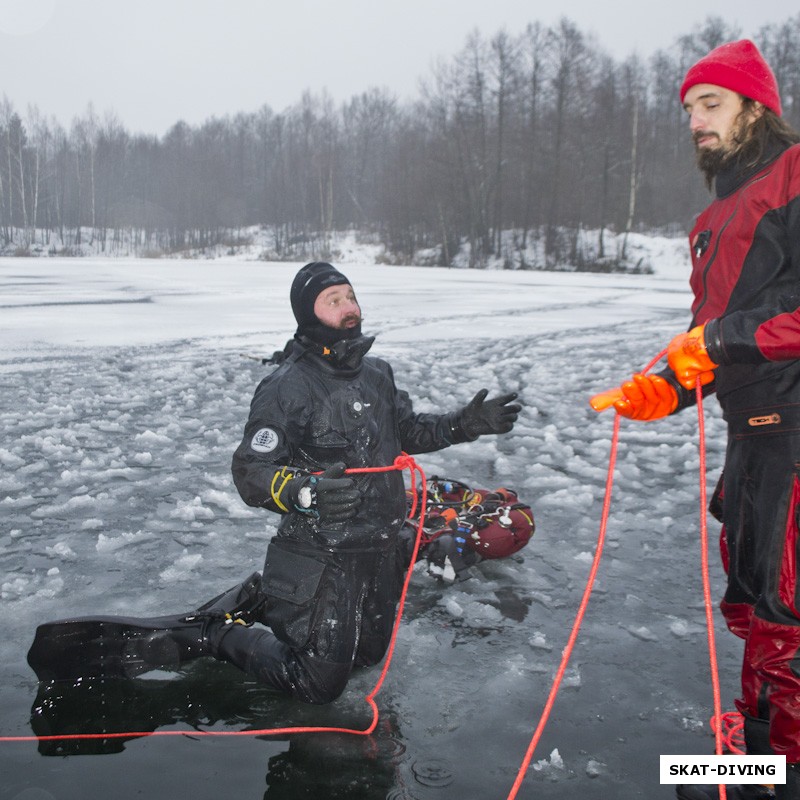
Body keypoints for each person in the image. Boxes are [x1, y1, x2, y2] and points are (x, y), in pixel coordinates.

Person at [591, 40, 800, 800]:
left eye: (710, 104)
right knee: (753, 600)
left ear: (755, 107)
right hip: (756, 437)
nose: (695, 122)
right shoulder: (714, 216)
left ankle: (783, 776)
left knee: (789, 612)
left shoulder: (797, 174)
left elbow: (746, 328)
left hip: (798, 432)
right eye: (688, 110)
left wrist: (717, 341)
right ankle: (754, 756)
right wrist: (662, 389)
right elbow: (708, 336)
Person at [220, 260, 521, 704]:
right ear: (308, 314)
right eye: (333, 300)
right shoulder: (288, 385)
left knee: (368, 659)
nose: (348, 307)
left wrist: (466, 424)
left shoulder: (377, 374)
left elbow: (410, 431)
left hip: (380, 547)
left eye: (350, 296)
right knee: (317, 683)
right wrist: (305, 491)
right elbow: (251, 470)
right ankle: (218, 633)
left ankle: (265, 597)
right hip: (323, 550)